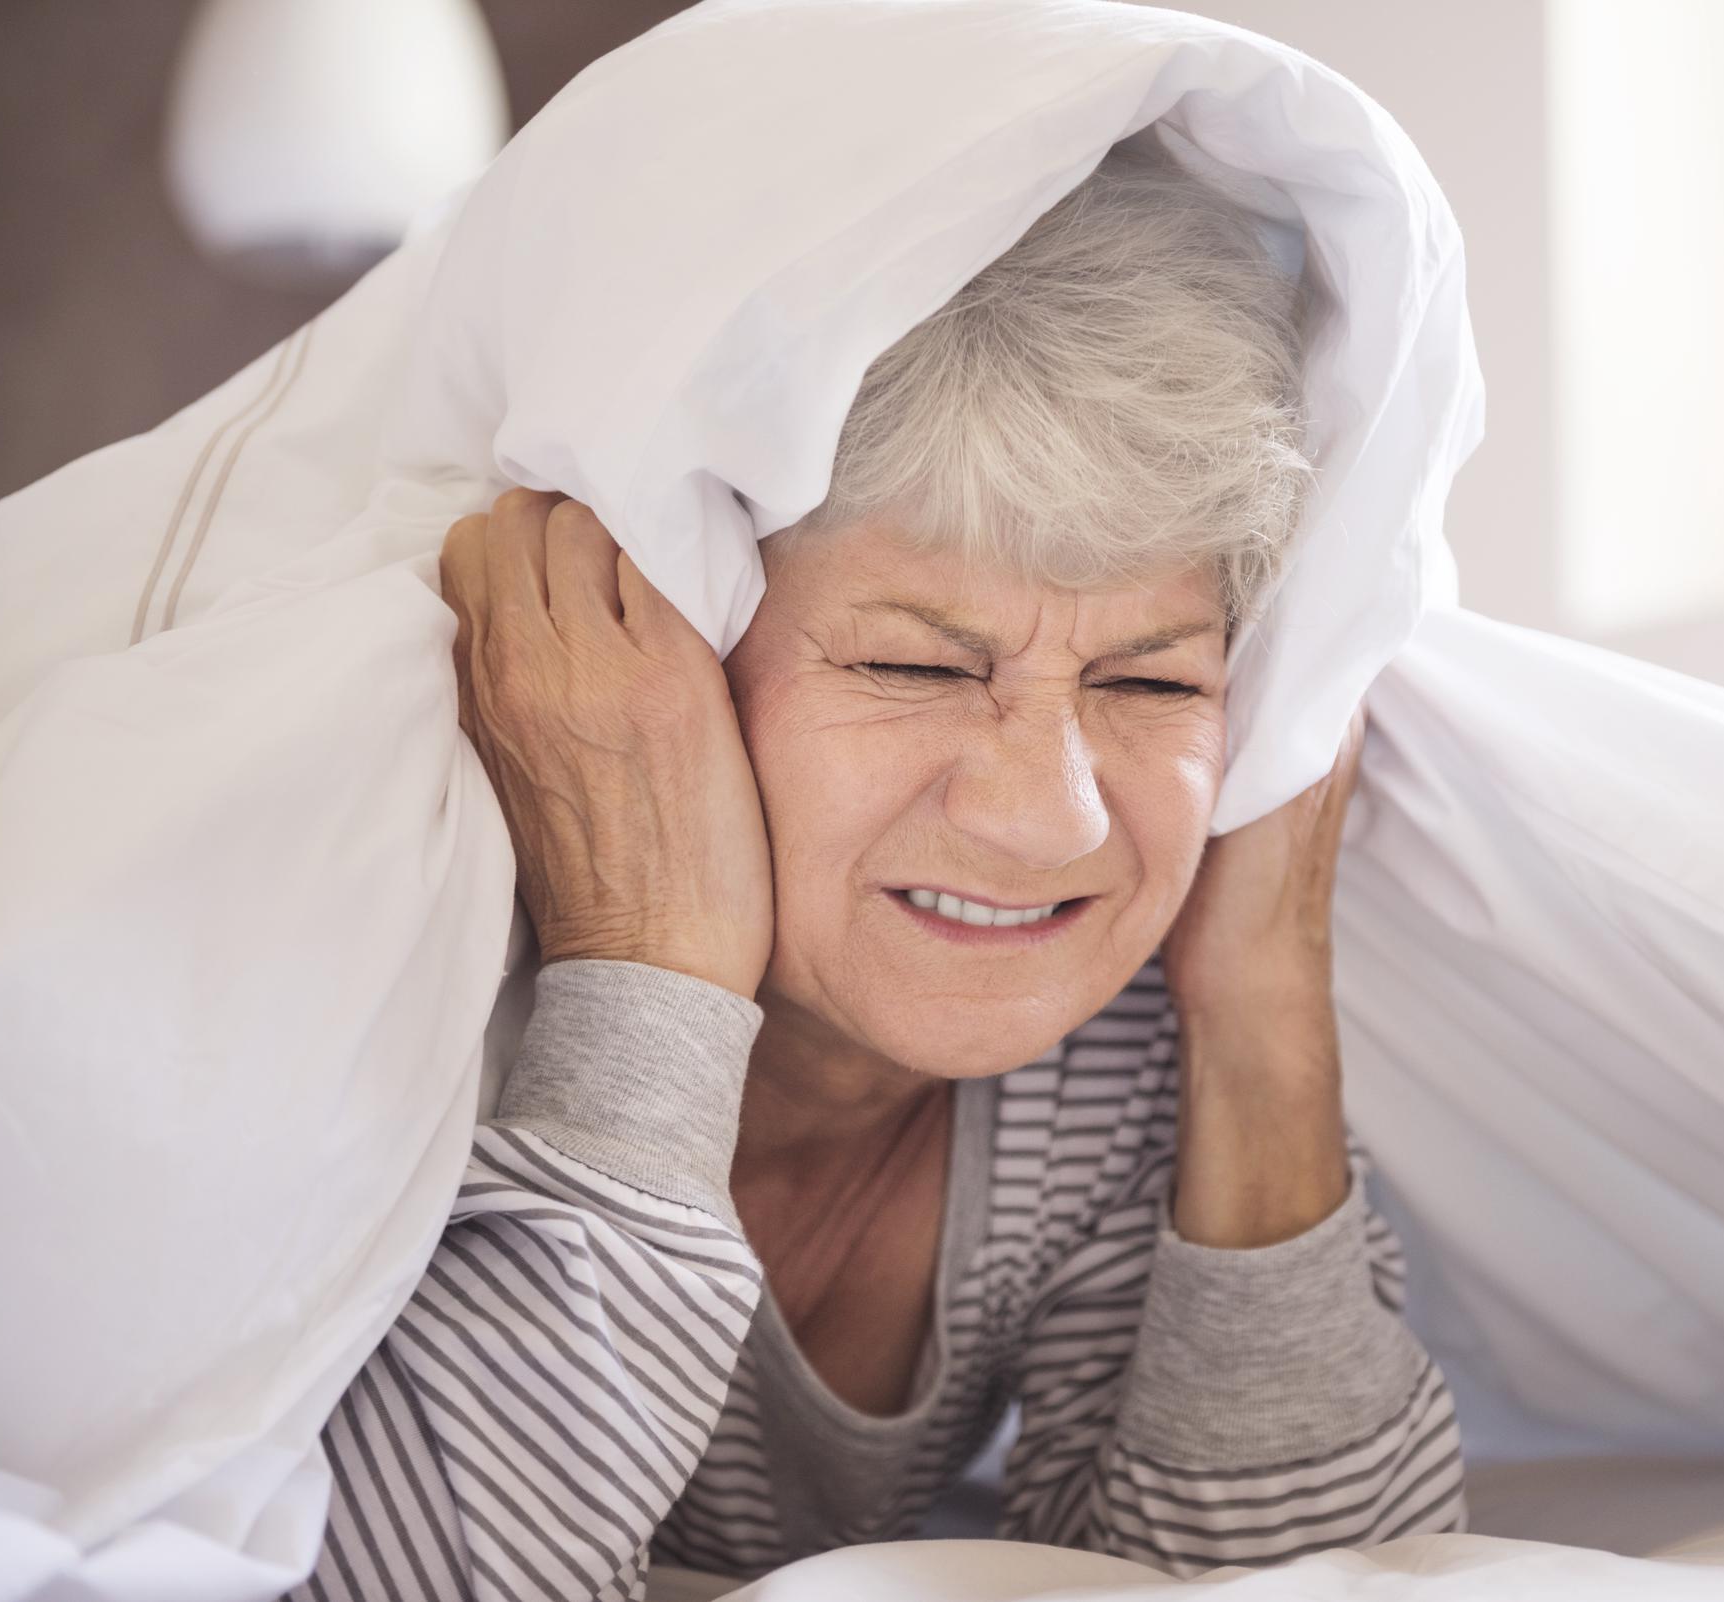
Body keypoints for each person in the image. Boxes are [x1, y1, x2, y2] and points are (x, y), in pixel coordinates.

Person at [289, 132, 1465, 1602]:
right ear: (683, 648)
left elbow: (1309, 1579)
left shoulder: (1099, 1060)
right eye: (917, 663)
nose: (1055, 821)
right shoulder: (431, 979)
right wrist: (644, 967)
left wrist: (1266, 993)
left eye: (1152, 686)